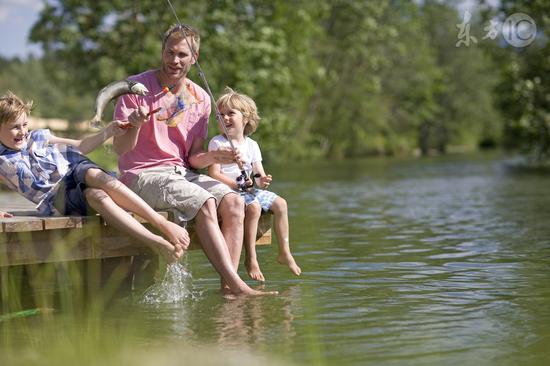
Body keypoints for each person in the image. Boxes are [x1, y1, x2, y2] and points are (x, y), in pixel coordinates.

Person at [112, 24, 275, 296]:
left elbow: (194, 159)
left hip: (181, 174)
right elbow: (120, 149)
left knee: (235, 202)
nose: (174, 60)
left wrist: (215, 156)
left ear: (194, 58)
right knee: (206, 202)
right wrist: (136, 124)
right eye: (169, 52)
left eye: (182, 55)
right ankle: (238, 286)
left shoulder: (200, 97)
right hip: (142, 175)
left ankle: (228, 287)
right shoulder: (135, 88)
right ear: (162, 52)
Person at [0, 91, 189, 263]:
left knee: (92, 173)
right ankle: (155, 241)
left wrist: (109, 131)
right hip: (58, 196)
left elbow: (80, 146)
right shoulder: (2, 161)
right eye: (14, 127)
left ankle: (162, 223)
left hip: (74, 168)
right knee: (96, 196)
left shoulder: (38, 137)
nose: (22, 131)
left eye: (24, 125)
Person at [208, 87, 301, 282]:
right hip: (229, 193)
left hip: (248, 190)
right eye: (219, 115)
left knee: (281, 204)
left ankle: (285, 252)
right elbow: (214, 174)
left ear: (246, 118)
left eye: (230, 113)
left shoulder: (252, 145)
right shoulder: (217, 143)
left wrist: (262, 180)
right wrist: (236, 185)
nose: (224, 118)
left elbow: (258, 174)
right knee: (255, 207)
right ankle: (251, 257)